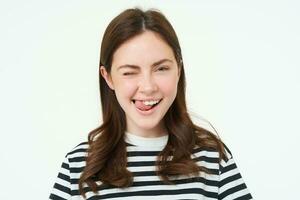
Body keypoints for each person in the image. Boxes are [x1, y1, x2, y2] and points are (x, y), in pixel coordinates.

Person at [49, 8, 253, 200]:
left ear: (178, 69)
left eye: (161, 69)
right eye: (129, 72)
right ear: (108, 77)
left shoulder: (212, 158)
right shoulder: (78, 165)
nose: (147, 87)